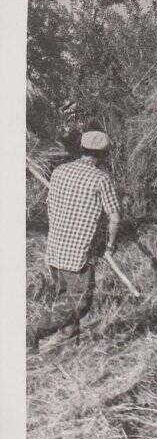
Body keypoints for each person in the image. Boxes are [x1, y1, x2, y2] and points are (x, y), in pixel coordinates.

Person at [27, 130, 121, 353]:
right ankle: (31, 332)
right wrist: (110, 245)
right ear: (104, 154)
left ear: (82, 148)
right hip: (78, 253)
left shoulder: (60, 171)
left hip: (56, 248)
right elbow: (115, 217)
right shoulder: (101, 179)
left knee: (64, 300)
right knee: (79, 303)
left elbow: (49, 205)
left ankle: (68, 347)